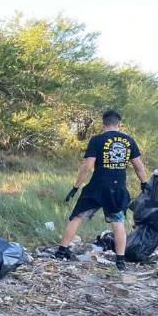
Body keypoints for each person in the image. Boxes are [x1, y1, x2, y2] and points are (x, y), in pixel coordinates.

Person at [55, 110, 148, 270]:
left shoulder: (97, 139)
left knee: (76, 217)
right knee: (118, 223)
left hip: (96, 187)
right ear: (119, 124)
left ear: (103, 124)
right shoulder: (129, 141)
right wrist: (144, 183)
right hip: (117, 188)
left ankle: (61, 252)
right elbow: (138, 166)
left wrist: (75, 187)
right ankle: (120, 262)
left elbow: (87, 166)